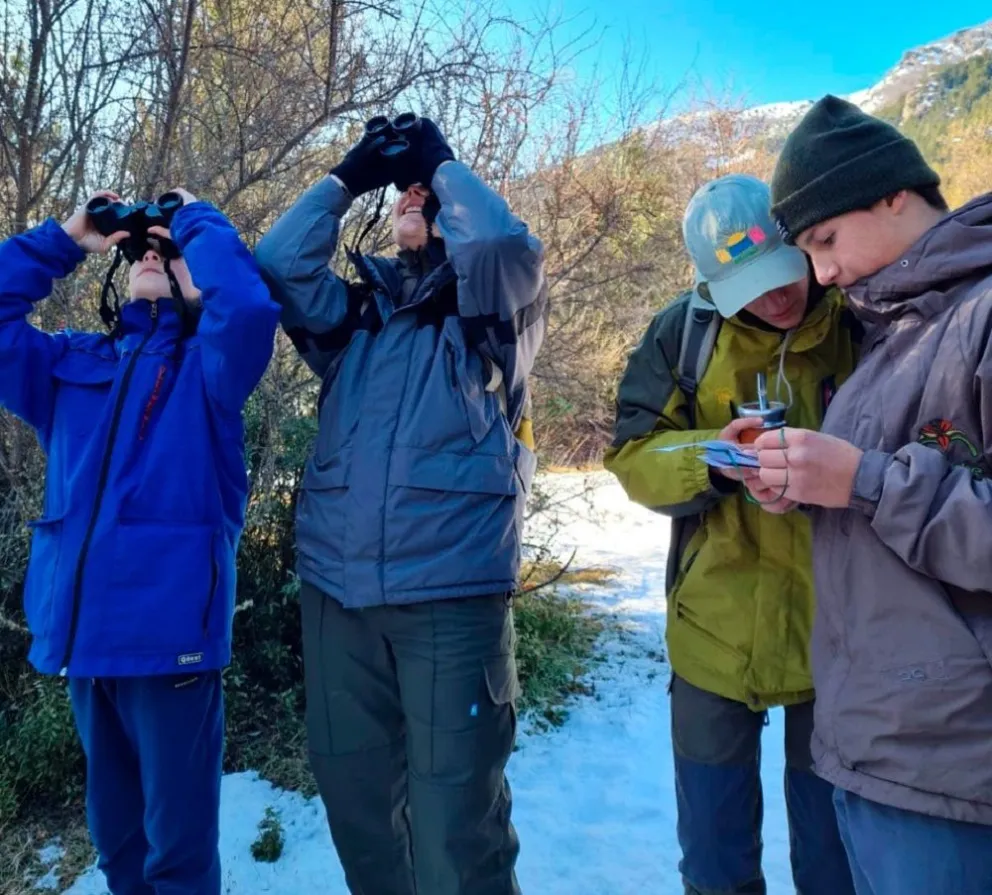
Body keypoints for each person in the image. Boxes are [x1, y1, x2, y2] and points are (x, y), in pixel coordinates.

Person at [254, 115, 546, 894]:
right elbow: (278, 265)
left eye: (429, 192)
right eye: (406, 189)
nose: (413, 195)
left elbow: (495, 244)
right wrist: (346, 178)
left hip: (450, 599)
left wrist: (442, 164)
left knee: (458, 834)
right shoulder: (357, 320)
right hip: (336, 598)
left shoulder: (492, 320)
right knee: (360, 818)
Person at [0, 188, 279, 893]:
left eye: (170, 254)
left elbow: (245, 308)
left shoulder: (210, 376)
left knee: (176, 861)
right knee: (120, 852)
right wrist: (69, 238)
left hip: (171, 652)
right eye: (143, 250)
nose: (152, 254)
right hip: (87, 650)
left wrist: (193, 222)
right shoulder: (71, 369)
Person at [753, 94, 992, 895]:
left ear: (894, 192)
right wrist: (812, 487)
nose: (819, 273)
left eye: (825, 239)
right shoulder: (887, 331)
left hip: (953, 772)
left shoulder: (981, 315)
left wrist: (860, 479)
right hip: (866, 752)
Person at [604, 174, 858, 895]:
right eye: (752, 285)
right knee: (715, 865)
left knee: (835, 863)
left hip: (836, 633)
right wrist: (715, 459)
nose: (777, 297)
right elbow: (630, 453)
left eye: (783, 275)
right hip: (711, 635)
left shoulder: (858, 316)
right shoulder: (682, 335)